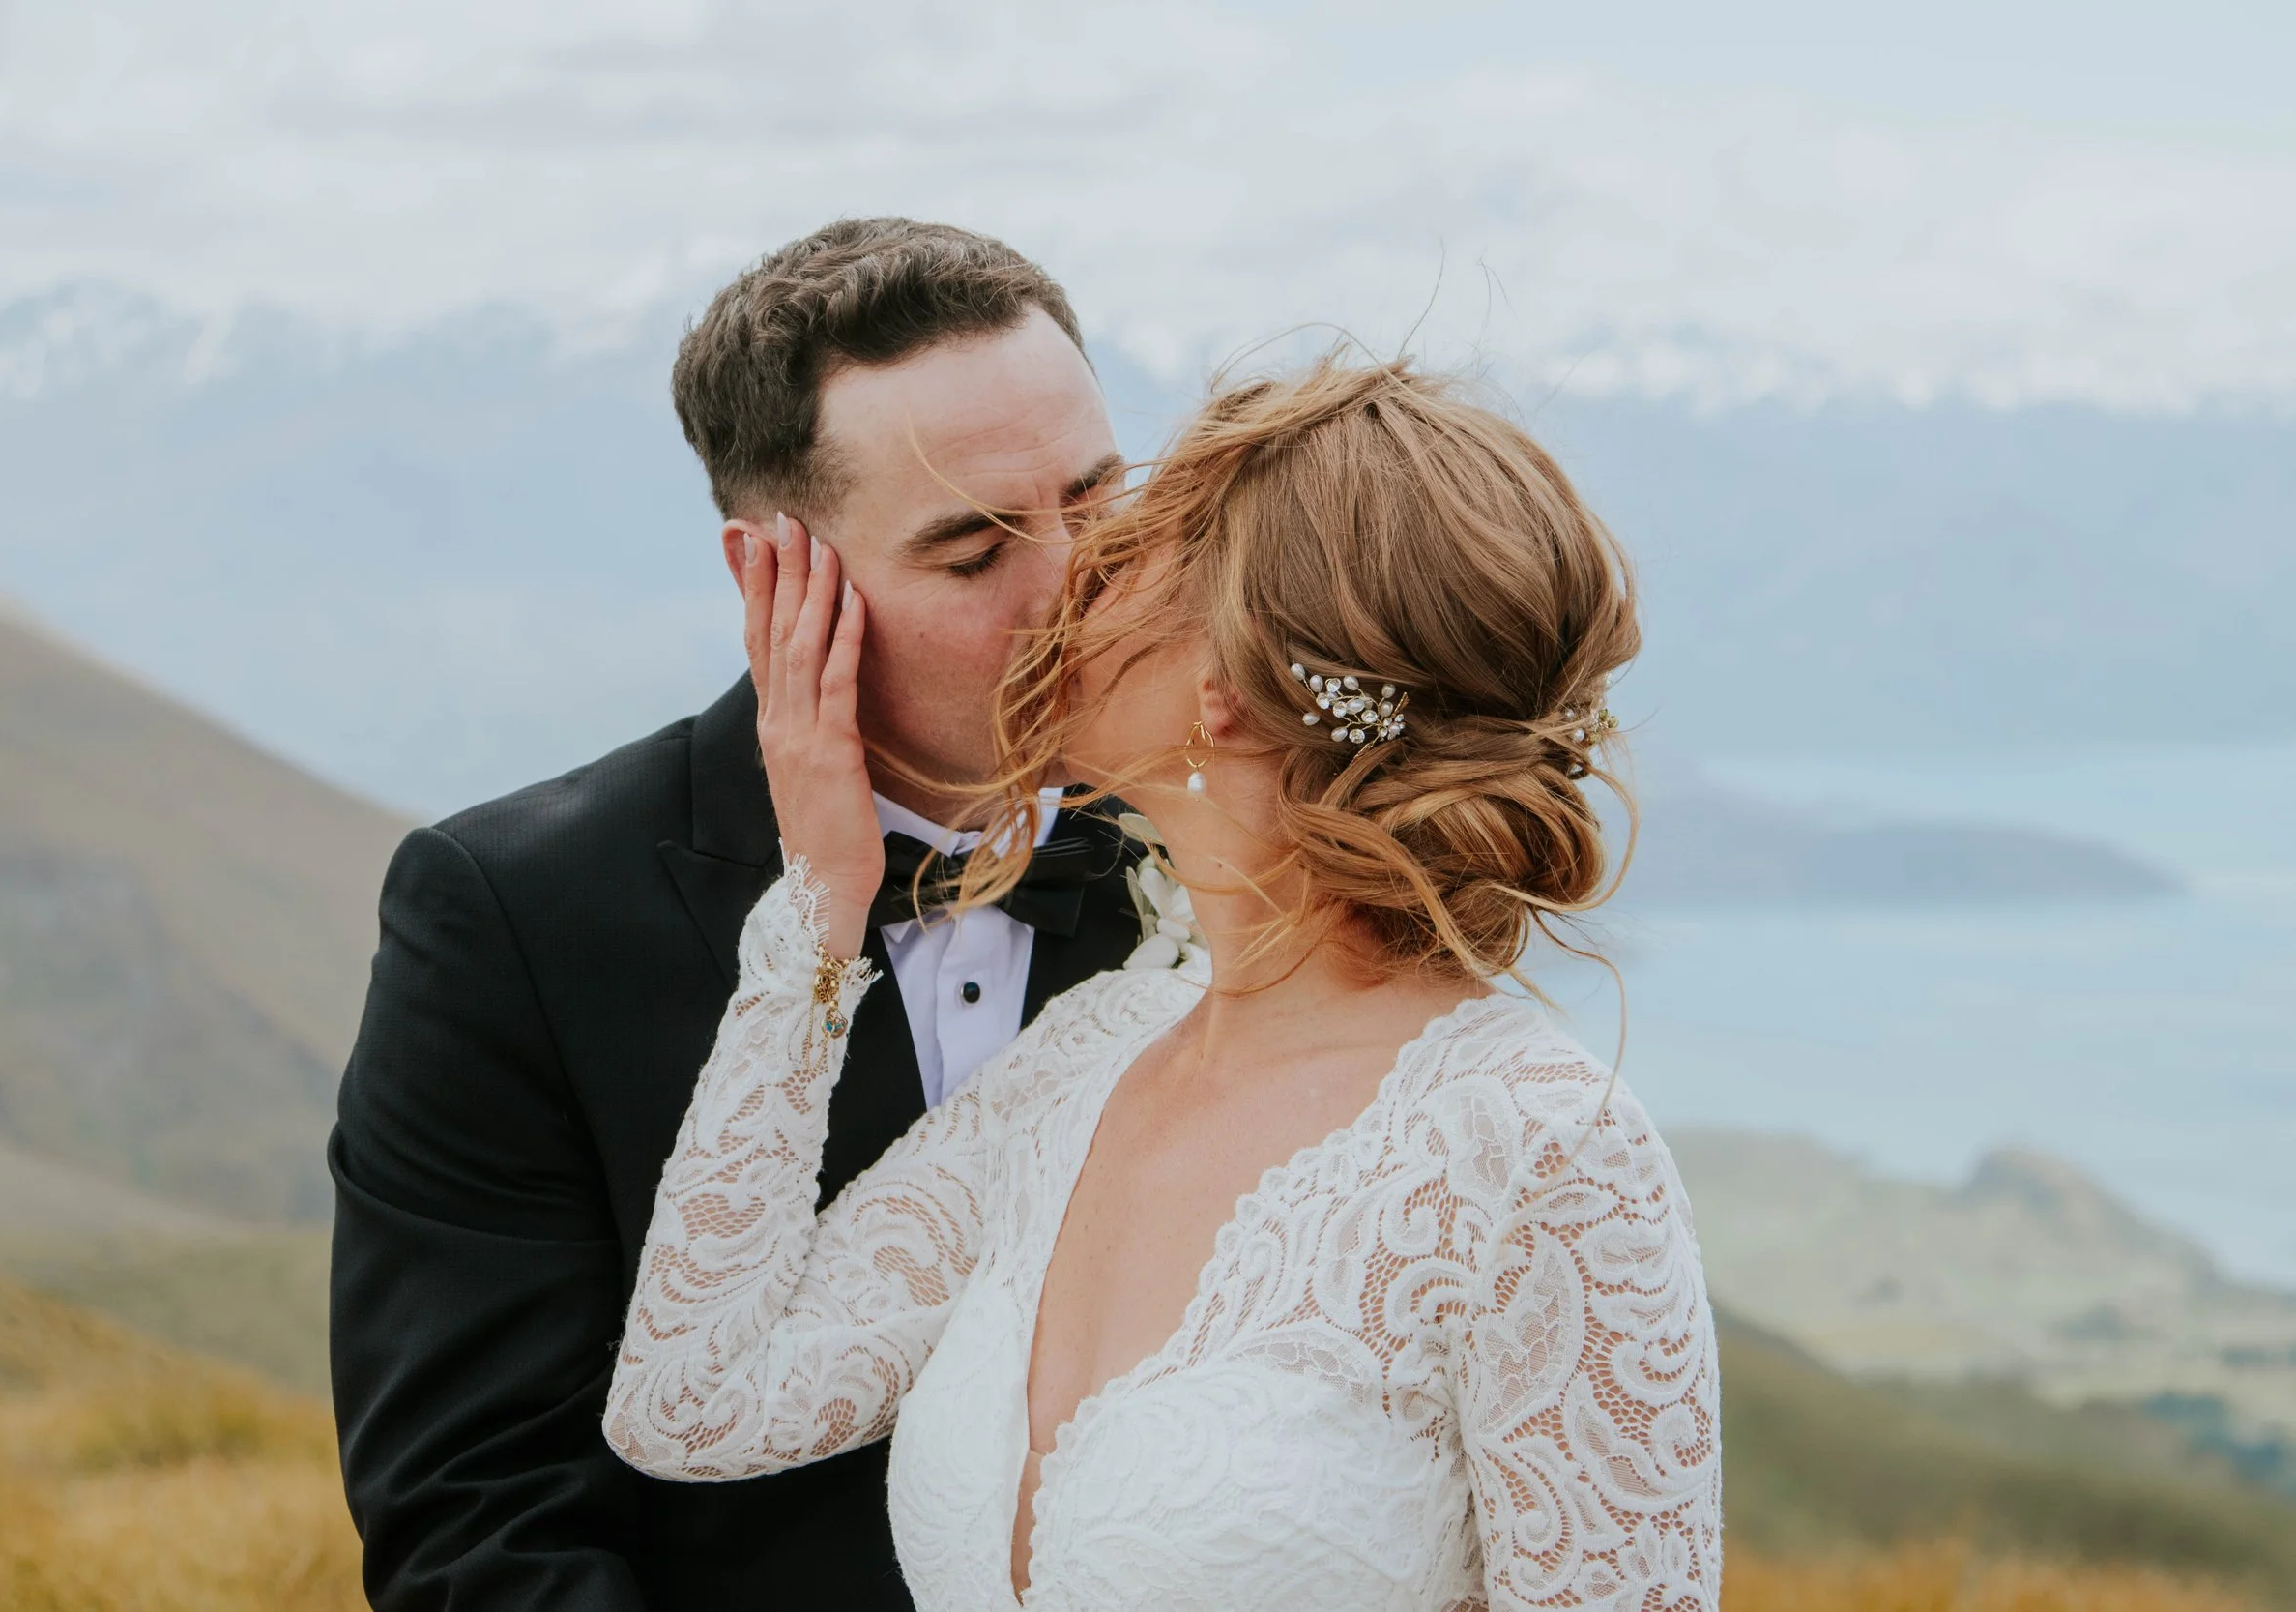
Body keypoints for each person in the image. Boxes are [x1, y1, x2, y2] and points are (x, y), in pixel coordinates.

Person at [602, 356, 1723, 1610]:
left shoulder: (1536, 1150)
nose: (1066, 577)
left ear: (1227, 690)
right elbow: (690, 1401)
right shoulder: (1086, 1057)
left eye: (1124, 542)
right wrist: (819, 906)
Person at [328, 219, 1148, 1611]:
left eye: (1098, 495)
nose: (1078, 584)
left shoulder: (1244, 865)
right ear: (776, 578)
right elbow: (476, 1527)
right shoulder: (512, 919)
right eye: (972, 551)